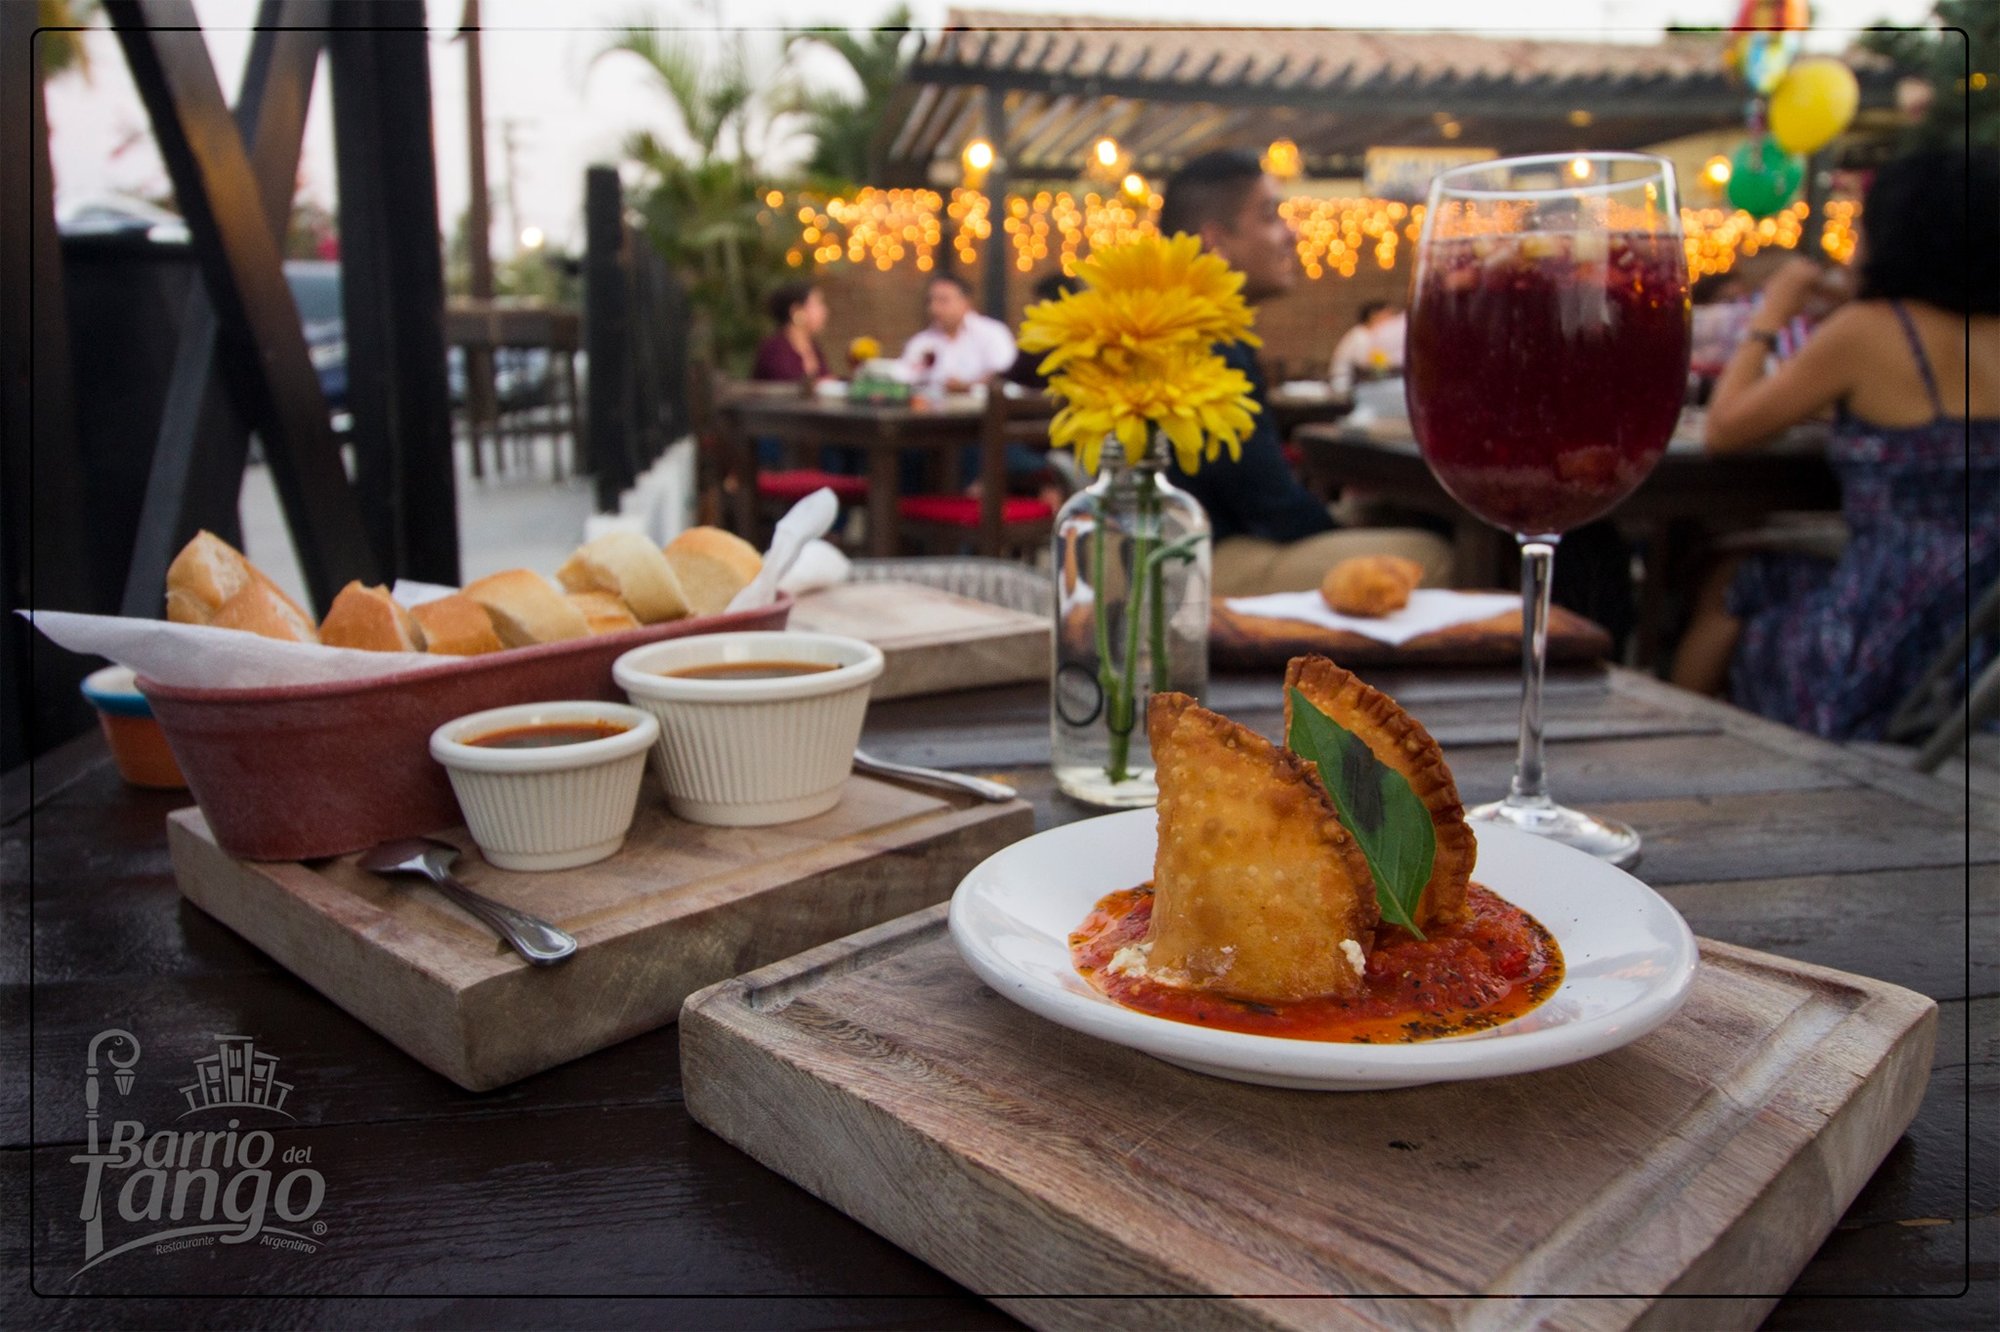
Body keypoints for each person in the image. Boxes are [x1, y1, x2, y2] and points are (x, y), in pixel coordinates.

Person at [1670, 147, 1999, 740]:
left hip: (1886, 640)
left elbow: (1725, 429)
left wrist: (1771, 315)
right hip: (1983, 640)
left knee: (1733, 577)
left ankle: (1670, 743)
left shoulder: (1871, 332)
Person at [1153, 150, 1452, 595]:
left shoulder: (1167, 320)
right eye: (1271, 216)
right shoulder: (1201, 343)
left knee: (1394, 521)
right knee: (1435, 553)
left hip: (1167, 548)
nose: (1291, 234)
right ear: (1215, 242)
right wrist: (1339, 529)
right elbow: (1271, 507)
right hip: (1193, 567)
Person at [897, 273, 1017, 391]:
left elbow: (1003, 373)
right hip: (930, 409)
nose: (934, 308)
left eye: (943, 300)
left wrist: (967, 387)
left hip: (983, 409)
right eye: (930, 301)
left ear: (965, 302)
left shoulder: (992, 333)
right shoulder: (921, 341)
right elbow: (904, 376)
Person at [752, 283, 829, 383]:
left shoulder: (812, 346)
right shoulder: (775, 349)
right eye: (818, 303)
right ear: (796, 311)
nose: (824, 310)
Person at [1327, 300, 1405, 397]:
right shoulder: (1360, 335)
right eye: (1387, 315)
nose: (1390, 320)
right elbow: (1365, 364)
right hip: (1345, 386)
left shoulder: (1369, 335)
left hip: (1357, 385)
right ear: (1374, 315)